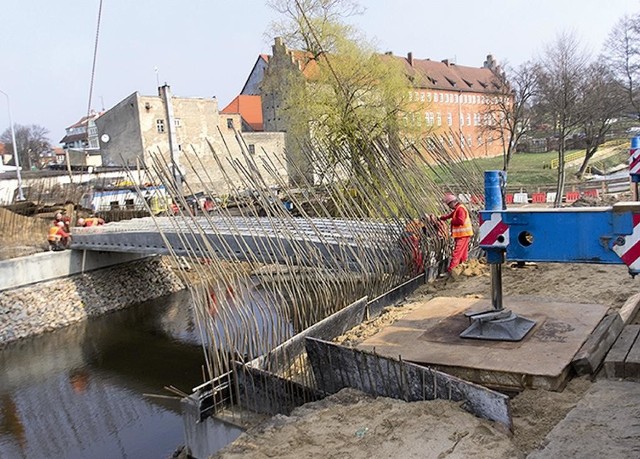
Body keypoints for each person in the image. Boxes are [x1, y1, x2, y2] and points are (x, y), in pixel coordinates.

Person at [439, 193, 473, 276]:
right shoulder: (458, 209)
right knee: (463, 253)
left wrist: (452, 222)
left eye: (449, 205)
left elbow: (460, 221)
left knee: (456, 253)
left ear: (453, 202)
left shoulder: (460, 209)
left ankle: (451, 271)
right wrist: (441, 218)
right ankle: (463, 267)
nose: (449, 207)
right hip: (463, 234)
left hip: (462, 235)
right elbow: (450, 215)